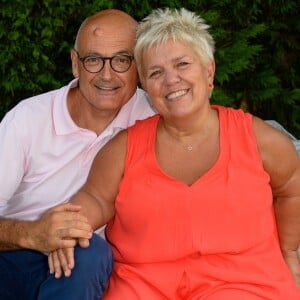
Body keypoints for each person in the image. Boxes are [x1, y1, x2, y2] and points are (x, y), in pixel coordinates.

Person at [51, 7, 300, 299]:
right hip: (142, 287)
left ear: (209, 70)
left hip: (243, 285)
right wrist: (68, 228)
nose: (171, 80)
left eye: (182, 64)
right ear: (145, 87)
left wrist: (289, 251)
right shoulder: (123, 148)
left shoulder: (259, 140)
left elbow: (290, 188)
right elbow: (95, 199)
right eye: (156, 72)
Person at [0, 9, 155, 300]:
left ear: (140, 65)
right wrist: (34, 234)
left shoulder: (153, 119)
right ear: (75, 63)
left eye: (121, 60)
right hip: (13, 258)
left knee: (90, 251)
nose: (106, 75)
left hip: (81, 266)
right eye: (93, 60)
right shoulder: (28, 119)